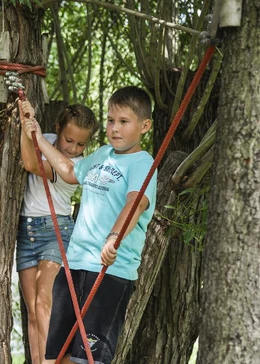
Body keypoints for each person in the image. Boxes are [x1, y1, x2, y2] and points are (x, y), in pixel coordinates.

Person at [22, 86, 157, 364]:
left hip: (108, 272)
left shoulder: (142, 163)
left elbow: (136, 202)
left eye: (123, 122)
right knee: (55, 356)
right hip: (74, 266)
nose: (114, 128)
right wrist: (35, 135)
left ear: (145, 126)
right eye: (110, 120)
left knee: (87, 360)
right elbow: (70, 171)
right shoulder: (103, 154)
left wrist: (114, 236)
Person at [16, 102, 99, 364]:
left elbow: (30, 162)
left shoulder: (74, 166)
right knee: (32, 312)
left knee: (45, 307)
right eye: (69, 139)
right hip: (26, 233)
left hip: (56, 231)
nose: (73, 148)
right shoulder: (49, 141)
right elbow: (32, 149)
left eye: (80, 144)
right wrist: (28, 121)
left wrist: (28, 129)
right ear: (57, 130)